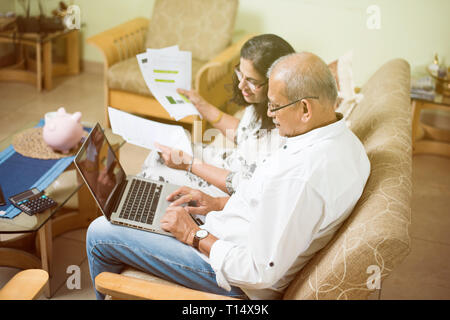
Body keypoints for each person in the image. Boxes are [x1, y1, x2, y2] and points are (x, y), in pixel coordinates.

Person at [86, 52, 371, 300]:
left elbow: (260, 272)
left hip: (232, 276)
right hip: (227, 232)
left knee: (100, 233)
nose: (270, 113)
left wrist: (193, 234)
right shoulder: (346, 142)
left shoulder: (301, 177)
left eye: (274, 105)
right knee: (142, 204)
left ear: (305, 108)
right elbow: (268, 204)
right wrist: (218, 203)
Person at [139, 34, 295, 197]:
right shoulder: (261, 104)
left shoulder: (282, 129)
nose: (242, 85)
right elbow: (243, 133)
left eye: (252, 81)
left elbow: (242, 186)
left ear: (275, 83)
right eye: (240, 74)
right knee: (158, 153)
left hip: (231, 185)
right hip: (231, 162)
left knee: (153, 174)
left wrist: (189, 164)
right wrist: (201, 105)